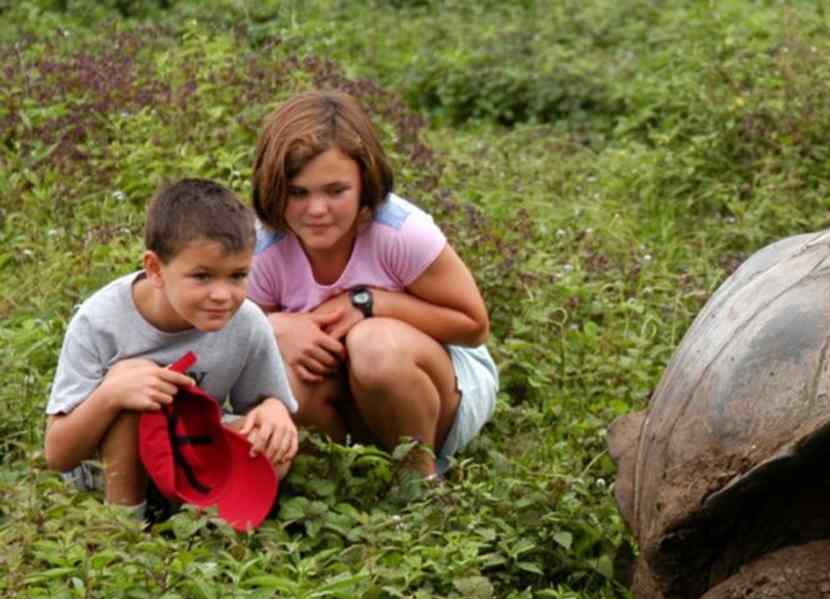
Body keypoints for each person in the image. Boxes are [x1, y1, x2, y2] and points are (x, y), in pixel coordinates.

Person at [248, 90, 497, 477]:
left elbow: (473, 327)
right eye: (298, 192)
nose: (316, 210)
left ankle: (419, 484)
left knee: (373, 345)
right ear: (275, 186)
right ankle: (343, 482)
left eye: (336, 191)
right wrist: (275, 327)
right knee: (281, 367)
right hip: (341, 400)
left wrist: (370, 303)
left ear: (364, 182)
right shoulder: (263, 249)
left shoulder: (398, 232)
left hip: (438, 391)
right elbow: (230, 344)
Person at [45, 178, 299, 518]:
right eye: (202, 276)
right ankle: (125, 528)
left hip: (186, 449)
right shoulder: (101, 322)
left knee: (271, 448)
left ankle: (197, 520)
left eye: (237, 275)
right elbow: (58, 454)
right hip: (105, 469)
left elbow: (263, 407)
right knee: (136, 384)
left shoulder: (247, 322)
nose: (223, 294)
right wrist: (111, 394)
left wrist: (274, 410)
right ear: (155, 270)